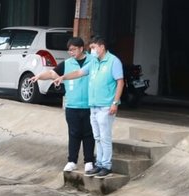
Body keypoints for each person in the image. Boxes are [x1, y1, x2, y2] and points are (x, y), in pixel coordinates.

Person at [55, 36, 124, 177]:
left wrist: (115, 103)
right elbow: (79, 73)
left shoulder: (113, 61)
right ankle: (98, 163)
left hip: (106, 106)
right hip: (93, 105)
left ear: (102, 47)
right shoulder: (94, 62)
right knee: (97, 136)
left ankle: (106, 165)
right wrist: (63, 77)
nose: (91, 50)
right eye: (91, 48)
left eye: (93, 47)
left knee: (105, 136)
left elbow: (120, 82)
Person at [31, 37, 96, 173]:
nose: (71, 52)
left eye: (73, 50)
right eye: (69, 50)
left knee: (88, 134)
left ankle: (89, 161)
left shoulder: (93, 61)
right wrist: (39, 76)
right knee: (73, 133)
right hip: (72, 105)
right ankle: (72, 161)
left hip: (90, 105)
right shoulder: (67, 63)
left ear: (81, 48)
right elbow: (52, 73)